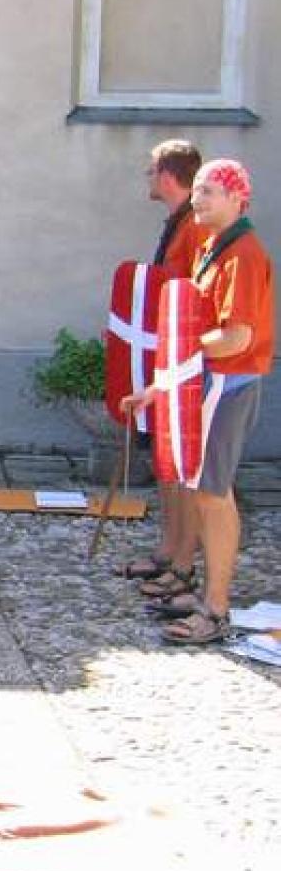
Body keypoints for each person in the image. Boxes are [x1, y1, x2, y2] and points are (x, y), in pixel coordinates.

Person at [123, 159, 272, 646]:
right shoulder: (214, 245)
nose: (198, 200)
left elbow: (236, 337)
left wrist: (185, 343)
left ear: (236, 199)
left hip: (229, 386)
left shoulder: (243, 254)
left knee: (213, 492)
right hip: (206, 382)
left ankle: (216, 608)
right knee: (200, 486)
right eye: (199, 190)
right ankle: (203, 591)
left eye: (208, 192)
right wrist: (159, 384)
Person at [118, 139, 205, 594]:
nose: (147, 178)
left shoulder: (194, 227)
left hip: (187, 361)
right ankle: (168, 550)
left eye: (151, 170)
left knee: (184, 464)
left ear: (168, 175)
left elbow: (190, 295)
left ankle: (185, 562)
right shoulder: (177, 223)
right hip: (165, 356)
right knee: (165, 459)